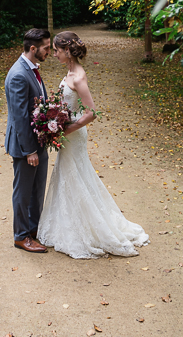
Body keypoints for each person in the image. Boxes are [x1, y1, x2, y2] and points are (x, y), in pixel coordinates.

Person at [37, 31, 150, 258]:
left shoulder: (78, 77)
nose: (55, 54)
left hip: (74, 135)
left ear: (67, 51)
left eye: (58, 51)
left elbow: (91, 113)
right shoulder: (69, 72)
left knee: (75, 175)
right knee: (69, 175)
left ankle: (89, 228)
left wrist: (65, 129)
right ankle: (68, 223)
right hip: (67, 133)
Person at [4, 28, 51, 253]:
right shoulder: (18, 75)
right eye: (46, 48)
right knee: (23, 192)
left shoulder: (31, 69)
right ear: (33, 49)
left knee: (37, 190)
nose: (49, 52)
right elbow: (20, 117)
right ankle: (21, 236)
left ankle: (33, 230)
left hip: (38, 142)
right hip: (26, 147)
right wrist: (30, 150)